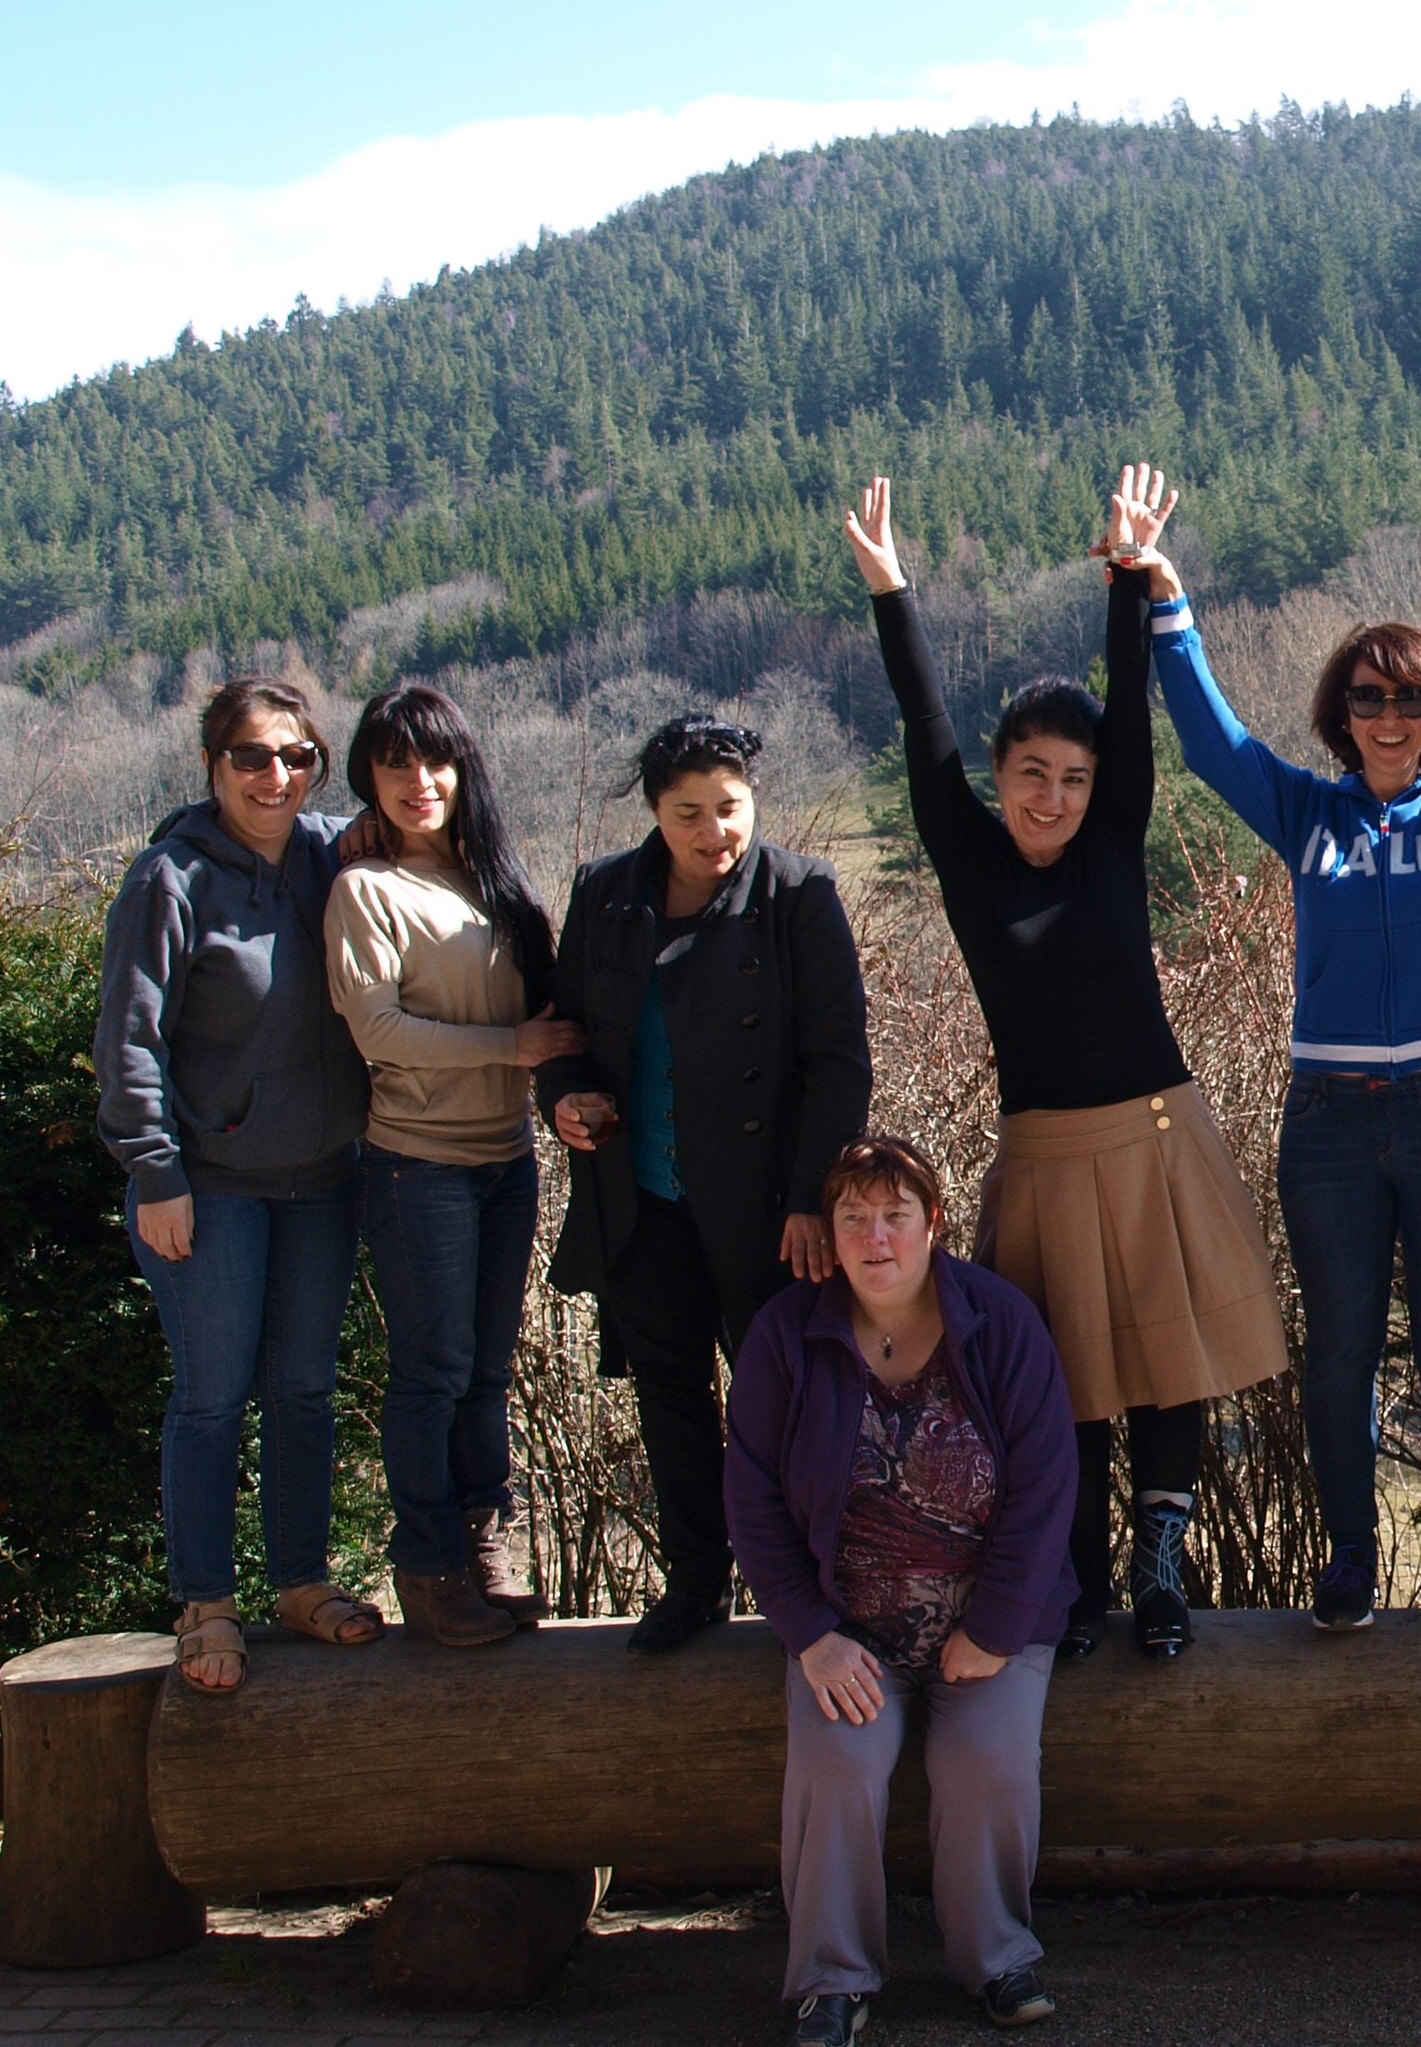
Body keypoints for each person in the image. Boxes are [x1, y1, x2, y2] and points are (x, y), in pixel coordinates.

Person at [841, 469, 1288, 1667]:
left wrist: (1131, 572)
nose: (1055, 794)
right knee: (1070, 1381)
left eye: (1076, 777)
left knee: (1170, 1365)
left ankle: (1161, 1575)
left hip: (1156, 1132)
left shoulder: (1114, 842)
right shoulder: (971, 859)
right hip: (1042, 1153)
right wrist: (891, 590)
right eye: (1033, 772)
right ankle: (1079, 1585)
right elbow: (923, 722)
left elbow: (1130, 704)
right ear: (1001, 777)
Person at [1141, 453, 1421, 1632]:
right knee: (1338, 1353)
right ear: (1340, 716)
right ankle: (1348, 1562)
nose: (1389, 718)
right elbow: (1210, 745)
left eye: (1410, 701)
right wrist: (1166, 604)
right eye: (1368, 700)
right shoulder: (1307, 814)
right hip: (1328, 1123)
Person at [726, 1136, 1078, 2047]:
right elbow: (751, 1499)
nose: (875, 1237)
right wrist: (811, 1635)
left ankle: (998, 1961)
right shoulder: (785, 1335)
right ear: (830, 1233)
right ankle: (832, 1984)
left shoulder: (999, 1322)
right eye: (854, 1218)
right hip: (848, 1631)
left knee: (986, 1761)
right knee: (838, 1764)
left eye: (895, 1216)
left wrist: (993, 1629)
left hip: (990, 1625)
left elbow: (1046, 1485)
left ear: (934, 1225)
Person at [535, 716, 872, 1654]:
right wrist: (565, 1099)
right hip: (642, 1197)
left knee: (791, 1401)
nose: (714, 831)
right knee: (669, 1396)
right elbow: (566, 1032)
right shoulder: (605, 893)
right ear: (655, 812)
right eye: (688, 813)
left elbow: (839, 1059)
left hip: (767, 1208)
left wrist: (811, 1199)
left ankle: (813, 1592)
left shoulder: (798, 893)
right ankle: (694, 1586)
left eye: (729, 807)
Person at [94, 678, 380, 1696]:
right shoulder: (170, 879)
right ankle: (206, 1603)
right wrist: (155, 1171)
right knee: (213, 1397)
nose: (276, 776)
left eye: (297, 757)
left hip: (323, 1178)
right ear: (213, 765)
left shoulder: (334, 857)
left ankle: (300, 1582)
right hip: (207, 1186)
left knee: (303, 1390)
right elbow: (129, 1040)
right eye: (252, 756)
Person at [327, 680, 584, 1650]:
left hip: (505, 1159)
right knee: (431, 1371)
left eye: (435, 761)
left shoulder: (495, 881)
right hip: (416, 1164)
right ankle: (429, 1569)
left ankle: (487, 1547)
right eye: (394, 764)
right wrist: (510, 1050)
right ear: (369, 778)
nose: (419, 781)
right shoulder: (363, 889)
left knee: (485, 1371)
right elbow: (380, 1032)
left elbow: (552, 1008)